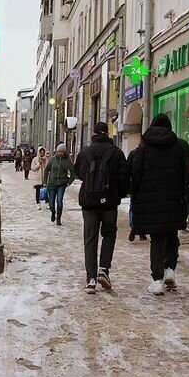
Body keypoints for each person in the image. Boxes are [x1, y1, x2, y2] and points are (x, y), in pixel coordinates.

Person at [130, 113, 189, 295]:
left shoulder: (144, 147)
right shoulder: (181, 146)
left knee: (157, 240)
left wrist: (135, 195)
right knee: (172, 235)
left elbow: (136, 174)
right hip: (175, 201)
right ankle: (170, 270)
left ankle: (157, 280)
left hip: (151, 203)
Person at [74, 122, 129, 293]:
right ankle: (103, 270)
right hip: (109, 204)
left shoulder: (85, 152)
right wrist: (116, 195)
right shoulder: (117, 153)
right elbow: (124, 178)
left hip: (89, 203)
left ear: (93, 134)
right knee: (109, 235)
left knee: (90, 239)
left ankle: (90, 278)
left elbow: (79, 173)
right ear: (107, 134)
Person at [43, 144, 75, 225]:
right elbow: (46, 170)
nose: (60, 153)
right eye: (58, 151)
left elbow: (73, 172)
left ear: (65, 152)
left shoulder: (67, 160)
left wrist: (69, 182)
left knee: (59, 201)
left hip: (62, 184)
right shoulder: (53, 159)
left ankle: (58, 218)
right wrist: (44, 181)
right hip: (51, 183)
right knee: (51, 204)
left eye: (62, 152)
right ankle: (53, 213)